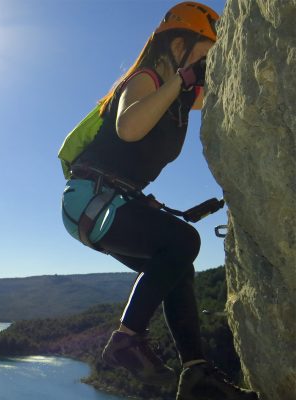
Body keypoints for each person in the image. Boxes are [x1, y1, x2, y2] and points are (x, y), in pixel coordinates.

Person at [59, 3, 259, 399]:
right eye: (204, 53)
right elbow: (129, 128)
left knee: (176, 267)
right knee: (184, 241)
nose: (207, 64)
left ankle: (197, 371)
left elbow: (221, 86)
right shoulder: (145, 80)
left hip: (104, 205)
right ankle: (127, 339)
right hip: (92, 200)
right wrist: (181, 80)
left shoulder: (180, 99)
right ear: (179, 45)